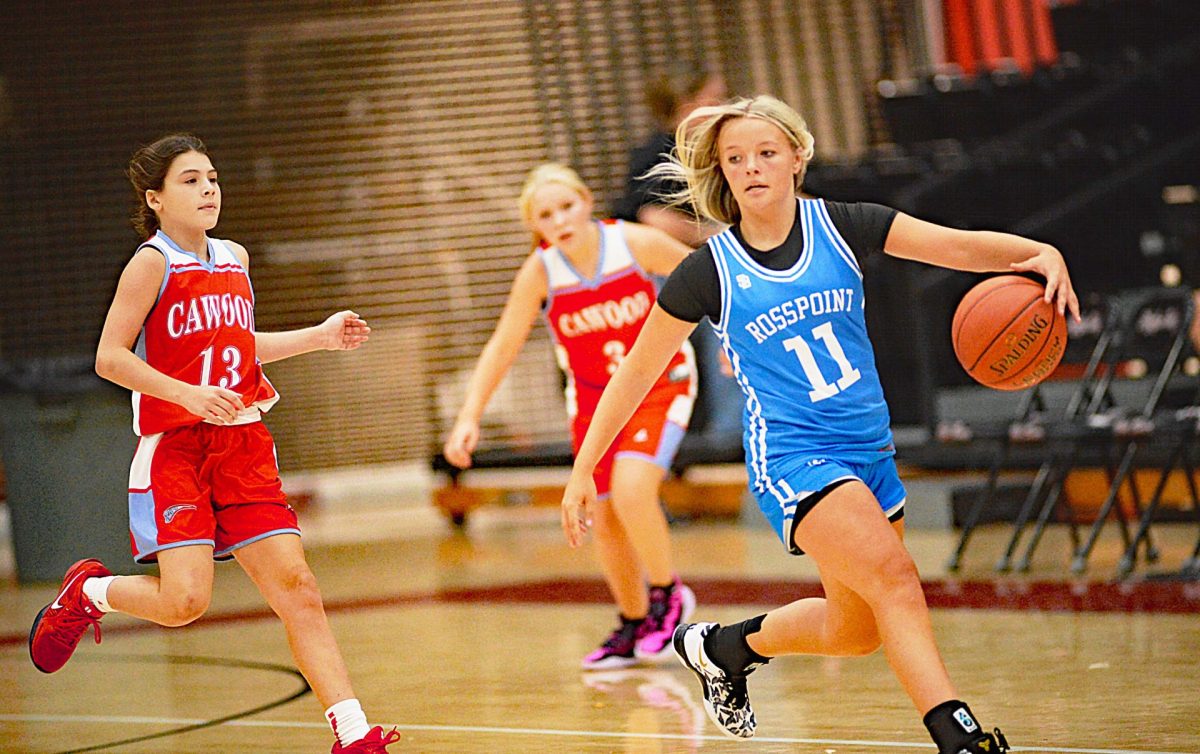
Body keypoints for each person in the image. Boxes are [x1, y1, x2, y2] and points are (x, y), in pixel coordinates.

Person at [561, 96, 1081, 752]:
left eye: (766, 153)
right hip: (793, 456)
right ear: (722, 175)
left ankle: (722, 648)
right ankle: (958, 733)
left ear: (797, 158)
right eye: (736, 159)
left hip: (868, 447)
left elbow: (954, 245)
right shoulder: (709, 272)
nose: (752, 168)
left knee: (856, 629)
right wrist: (584, 470)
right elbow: (634, 373)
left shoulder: (843, 224)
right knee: (895, 576)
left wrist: (1034, 253)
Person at [27, 134, 399, 754]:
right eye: (191, 180)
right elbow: (109, 357)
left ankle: (354, 735)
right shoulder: (152, 262)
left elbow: (239, 343)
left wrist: (321, 336)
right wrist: (187, 395)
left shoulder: (234, 257)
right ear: (156, 197)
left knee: (298, 587)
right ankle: (88, 593)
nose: (208, 190)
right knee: (185, 603)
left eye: (213, 178)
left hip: (244, 442)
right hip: (177, 448)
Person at [443, 163, 698, 670]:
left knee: (631, 490)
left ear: (586, 201)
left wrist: (735, 341)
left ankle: (670, 594)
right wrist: (468, 415)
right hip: (595, 404)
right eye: (545, 214)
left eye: (566, 206)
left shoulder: (633, 243)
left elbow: (709, 277)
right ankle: (631, 620)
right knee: (603, 517)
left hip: (659, 386)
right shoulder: (541, 272)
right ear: (534, 226)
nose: (559, 219)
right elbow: (503, 345)